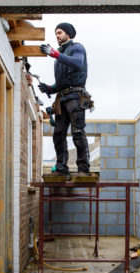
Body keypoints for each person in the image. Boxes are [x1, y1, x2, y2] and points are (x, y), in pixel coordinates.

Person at [39, 22, 90, 177]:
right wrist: (49, 88)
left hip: (76, 97)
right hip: (62, 99)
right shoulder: (60, 57)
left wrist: (55, 54)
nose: (57, 35)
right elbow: (61, 84)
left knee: (78, 132)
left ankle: (83, 169)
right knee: (58, 134)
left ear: (68, 34)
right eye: (56, 33)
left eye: (60, 32)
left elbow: (77, 63)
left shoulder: (77, 48)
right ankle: (61, 167)